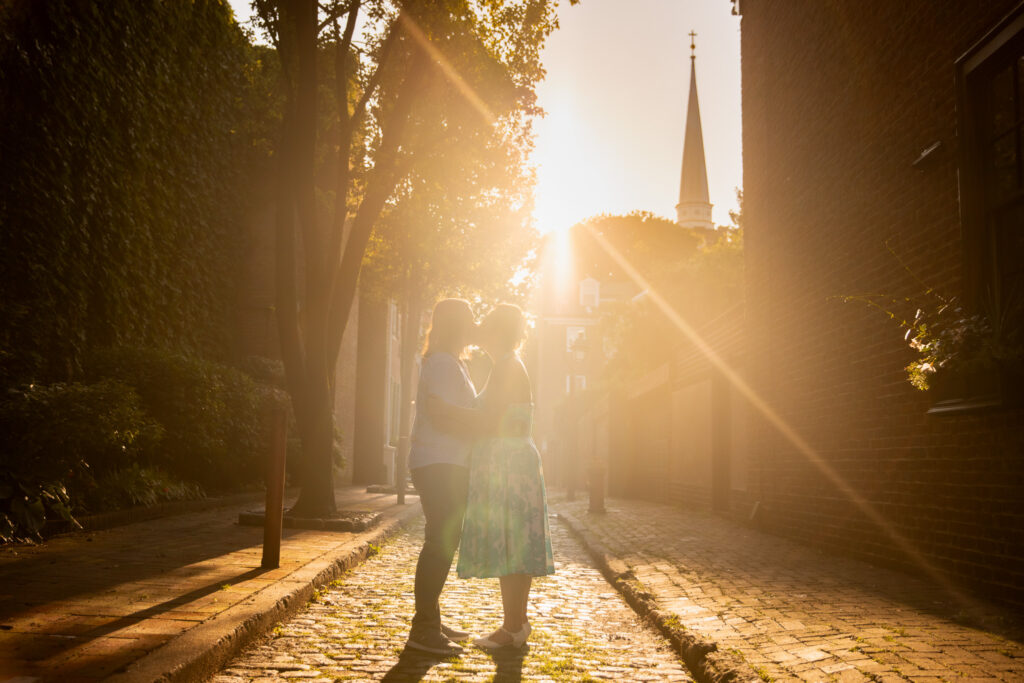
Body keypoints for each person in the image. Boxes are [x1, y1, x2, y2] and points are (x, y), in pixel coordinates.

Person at [439, 303, 555, 649]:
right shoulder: (506, 365)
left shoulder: (506, 366)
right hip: (513, 460)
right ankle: (517, 625)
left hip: (509, 464)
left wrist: (446, 412)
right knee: (516, 544)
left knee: (511, 545)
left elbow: (493, 419)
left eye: (486, 326)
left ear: (496, 332)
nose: (480, 332)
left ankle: (511, 629)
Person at [405, 298, 478, 656]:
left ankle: (430, 618)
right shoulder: (442, 363)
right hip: (439, 462)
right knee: (441, 543)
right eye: (469, 321)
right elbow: (443, 414)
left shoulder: (452, 363)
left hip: (447, 462)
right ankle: (423, 628)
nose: (473, 327)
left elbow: (456, 411)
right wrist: (486, 423)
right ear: (456, 325)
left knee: (441, 539)